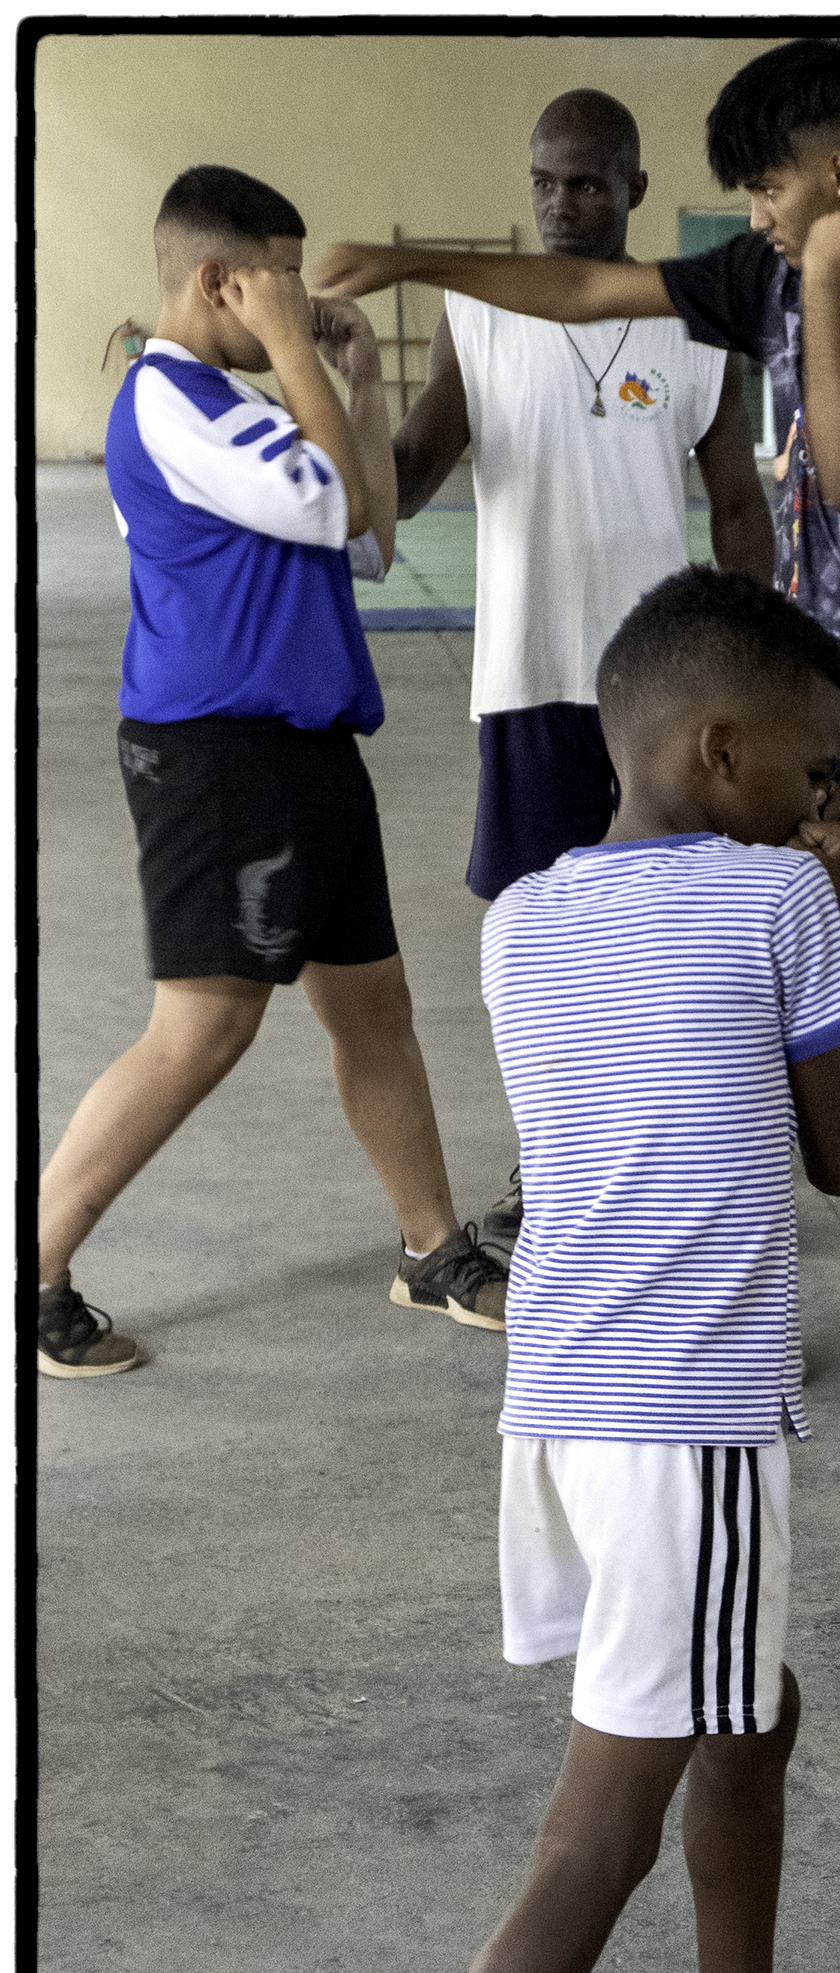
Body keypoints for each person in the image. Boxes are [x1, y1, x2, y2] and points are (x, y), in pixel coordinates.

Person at [244, 569, 840, 1973]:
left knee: (748, 1700)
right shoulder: (790, 887)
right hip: (694, 1414)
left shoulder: (526, 918)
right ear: (720, 750)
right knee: (598, 1826)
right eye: (801, 762)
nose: (818, 792)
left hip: (562, 1400)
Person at [318, 39, 840, 1328]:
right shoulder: (757, 276)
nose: (755, 218)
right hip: (777, 720)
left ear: (834, 176)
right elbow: (585, 290)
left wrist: (812, 291)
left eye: (766, 192)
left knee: (831, 1002)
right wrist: (409, 263)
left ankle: (728, 1260)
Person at [37, 164, 505, 1380]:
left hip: (304, 750)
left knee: (374, 1009)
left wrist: (349, 371)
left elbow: (371, 535)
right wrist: (301, 354)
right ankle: (28, 1268)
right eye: (281, 283)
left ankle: (429, 1248)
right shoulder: (175, 401)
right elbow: (333, 495)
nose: (298, 303)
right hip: (220, 758)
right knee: (201, 1030)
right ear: (219, 280)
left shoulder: (244, 404)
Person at [387, 86, 777, 1259]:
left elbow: (738, 508)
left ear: (636, 191)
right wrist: (334, 399)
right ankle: (550, 1155)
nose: (563, 205)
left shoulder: (694, 325)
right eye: (545, 182)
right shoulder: (480, 313)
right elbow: (407, 472)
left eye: (589, 183)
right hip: (523, 677)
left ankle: (663, 1154)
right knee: (533, 941)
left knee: (666, 942)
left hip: (653, 696)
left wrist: (752, 671)